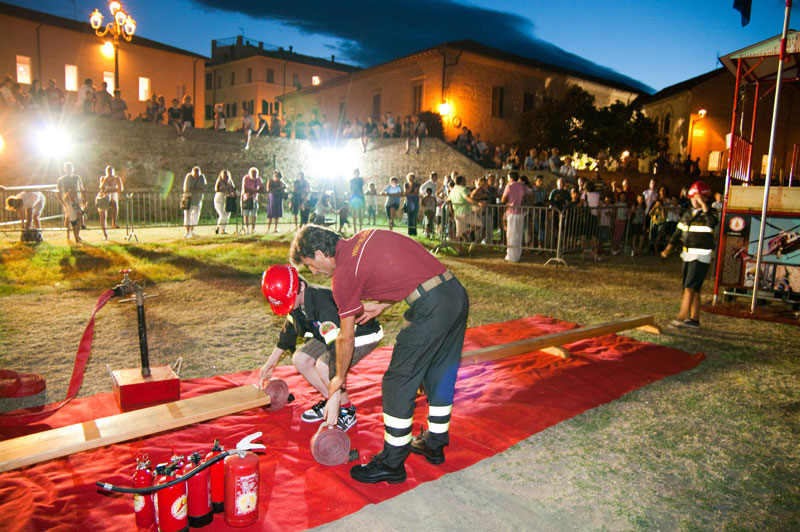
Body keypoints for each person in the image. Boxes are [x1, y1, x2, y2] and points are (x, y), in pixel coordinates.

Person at [289, 224, 469, 484]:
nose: (314, 272)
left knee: (397, 383)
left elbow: (346, 338)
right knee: (439, 372)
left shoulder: (343, 276)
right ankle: (435, 441)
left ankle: (392, 463)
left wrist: (336, 383)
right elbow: (405, 267)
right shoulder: (365, 235)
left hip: (430, 309)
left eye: (310, 265)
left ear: (319, 253)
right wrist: (382, 305)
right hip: (454, 293)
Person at [258, 264, 383, 431]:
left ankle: (346, 410)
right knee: (300, 358)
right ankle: (331, 402)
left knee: (324, 366)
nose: (289, 307)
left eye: (288, 302)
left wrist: (337, 389)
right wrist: (270, 363)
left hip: (359, 332)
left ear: (301, 286)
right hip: (329, 333)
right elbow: (288, 333)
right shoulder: (296, 302)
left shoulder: (322, 303)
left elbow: (336, 351)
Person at [661, 181, 717, 329]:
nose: (695, 201)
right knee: (695, 289)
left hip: (701, 256)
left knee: (689, 288)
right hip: (687, 255)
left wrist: (703, 205)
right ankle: (694, 320)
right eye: (693, 198)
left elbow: (712, 222)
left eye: (698, 198)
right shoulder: (687, 214)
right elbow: (677, 233)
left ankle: (681, 317)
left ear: (705, 198)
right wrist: (668, 248)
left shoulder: (710, 213)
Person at [501, 171, 528, 262]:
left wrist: (507, 202)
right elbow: (524, 198)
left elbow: (503, 199)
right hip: (520, 212)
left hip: (512, 212)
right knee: (519, 234)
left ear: (511, 178)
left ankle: (511, 256)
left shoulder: (509, 186)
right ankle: (517, 254)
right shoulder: (522, 186)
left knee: (511, 234)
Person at [56, 162, 86, 243]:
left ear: (73, 169)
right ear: (64, 170)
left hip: (78, 200)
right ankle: (69, 234)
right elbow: (58, 191)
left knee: (79, 216)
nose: (69, 170)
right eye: (67, 168)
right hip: (68, 201)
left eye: (70, 168)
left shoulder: (77, 177)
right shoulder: (62, 179)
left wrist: (84, 198)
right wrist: (62, 202)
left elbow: (81, 188)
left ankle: (77, 235)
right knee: (69, 218)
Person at [96, 165, 122, 239]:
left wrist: (110, 190)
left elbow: (120, 189)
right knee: (103, 215)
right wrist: (105, 180)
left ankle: (114, 222)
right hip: (104, 196)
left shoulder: (117, 178)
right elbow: (101, 188)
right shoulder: (103, 178)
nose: (109, 172)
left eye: (110, 171)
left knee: (114, 204)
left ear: (113, 171)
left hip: (113, 196)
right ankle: (105, 233)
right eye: (108, 171)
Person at [182, 166, 206, 238]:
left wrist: (195, 190)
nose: (196, 175)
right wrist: (197, 190)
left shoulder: (202, 177)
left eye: (197, 174)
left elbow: (203, 188)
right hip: (188, 199)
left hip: (198, 199)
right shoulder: (188, 177)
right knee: (187, 215)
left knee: (195, 216)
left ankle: (192, 231)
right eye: (195, 173)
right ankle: (187, 231)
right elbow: (187, 189)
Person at [213, 169, 236, 234]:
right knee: (222, 214)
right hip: (219, 200)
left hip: (227, 200)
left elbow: (233, 188)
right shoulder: (219, 181)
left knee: (227, 214)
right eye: (224, 175)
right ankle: (218, 227)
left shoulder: (230, 181)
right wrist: (226, 190)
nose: (226, 176)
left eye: (227, 175)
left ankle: (222, 229)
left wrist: (232, 192)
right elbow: (216, 189)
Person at [241, 167, 262, 234]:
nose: (254, 176)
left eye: (255, 175)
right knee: (246, 214)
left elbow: (261, 188)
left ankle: (253, 228)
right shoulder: (245, 178)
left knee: (254, 214)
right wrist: (255, 190)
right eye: (252, 175)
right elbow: (245, 189)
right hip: (246, 198)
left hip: (254, 198)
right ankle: (247, 228)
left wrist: (252, 191)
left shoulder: (258, 179)